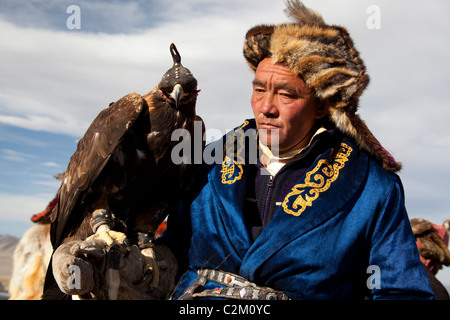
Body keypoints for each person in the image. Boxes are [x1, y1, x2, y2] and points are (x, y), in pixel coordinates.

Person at [158, 0, 435, 300]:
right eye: (260, 89)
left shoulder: (372, 187)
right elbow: (173, 252)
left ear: (320, 105)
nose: (266, 107)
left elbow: (403, 293)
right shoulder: (209, 163)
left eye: (286, 94)